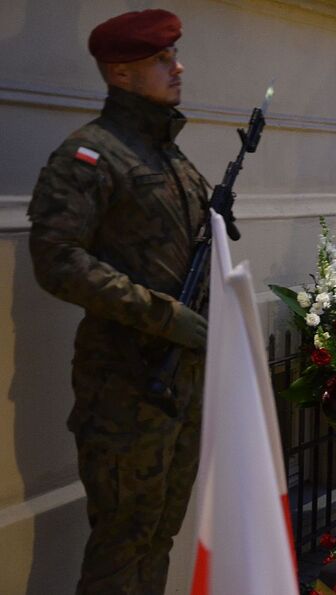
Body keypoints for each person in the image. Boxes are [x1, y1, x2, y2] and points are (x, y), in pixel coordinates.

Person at [28, 10, 208, 594]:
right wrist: (163, 315)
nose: (176, 67)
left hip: (180, 381)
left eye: (172, 55)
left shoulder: (171, 158)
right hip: (127, 383)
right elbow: (57, 258)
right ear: (120, 73)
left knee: (159, 535)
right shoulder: (90, 155)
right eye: (161, 59)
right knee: (120, 543)